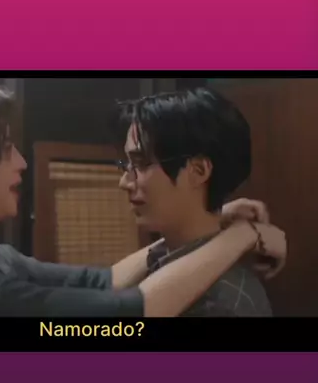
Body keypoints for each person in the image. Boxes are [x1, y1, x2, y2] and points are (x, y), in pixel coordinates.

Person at [0, 80, 286, 317]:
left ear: (199, 172)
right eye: (6, 149)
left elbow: (102, 281)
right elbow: (131, 313)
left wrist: (221, 223)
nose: (22, 163)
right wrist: (242, 236)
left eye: (140, 163)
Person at [114, 89, 274, 316]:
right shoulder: (161, 263)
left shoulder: (217, 305)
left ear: (198, 171)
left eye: (140, 163)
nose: (124, 182)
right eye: (127, 164)